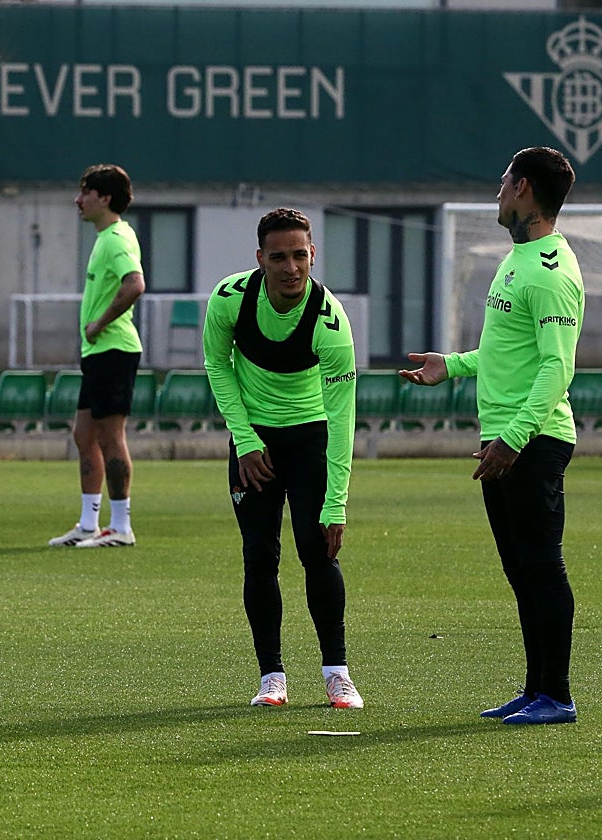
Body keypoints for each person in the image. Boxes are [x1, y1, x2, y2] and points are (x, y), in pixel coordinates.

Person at [400, 146, 584, 725]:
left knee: (541, 565)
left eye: (504, 181)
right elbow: (508, 353)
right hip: (503, 438)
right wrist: (450, 366)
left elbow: (558, 368)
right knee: (520, 569)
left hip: (532, 440)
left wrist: (514, 438)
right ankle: (535, 691)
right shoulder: (518, 259)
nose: (497, 190)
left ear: (524, 188)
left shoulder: (552, 271)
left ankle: (557, 695)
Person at [203, 208, 363, 710]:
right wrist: (246, 440)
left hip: (311, 437)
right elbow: (216, 363)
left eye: (300, 255)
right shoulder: (230, 299)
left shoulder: (330, 324)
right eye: (279, 257)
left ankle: (337, 673)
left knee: (319, 554)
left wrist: (335, 504)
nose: (291, 267)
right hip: (254, 441)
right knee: (259, 556)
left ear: (313, 254)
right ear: (260, 259)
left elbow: (342, 422)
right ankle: (271, 676)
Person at [49, 164, 145, 548]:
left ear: (104, 198)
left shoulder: (117, 238)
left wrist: (99, 323)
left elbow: (135, 284)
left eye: (85, 192)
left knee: (110, 436)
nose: (78, 200)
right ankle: (89, 523)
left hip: (114, 349)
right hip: (99, 352)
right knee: (84, 434)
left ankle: (120, 526)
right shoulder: (106, 237)